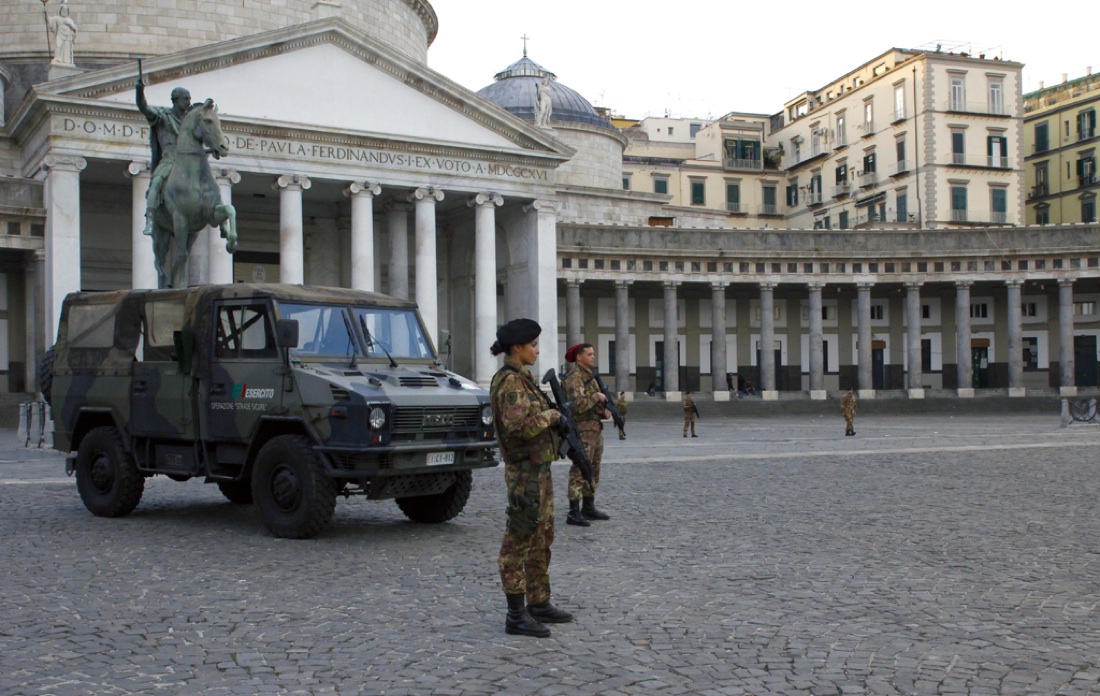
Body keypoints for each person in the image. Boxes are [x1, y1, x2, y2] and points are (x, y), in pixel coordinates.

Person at [490, 318, 573, 637]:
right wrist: (553, 416)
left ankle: (538, 601)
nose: (537, 350)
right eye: (533, 345)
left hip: (539, 470)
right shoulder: (511, 382)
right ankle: (515, 614)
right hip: (525, 474)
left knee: (542, 537)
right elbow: (519, 427)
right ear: (517, 347)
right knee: (519, 539)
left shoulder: (523, 379)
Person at [136, 80, 195, 237]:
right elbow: (143, 108)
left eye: (189, 99)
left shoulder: (190, 121)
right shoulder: (162, 116)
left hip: (186, 161)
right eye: (186, 99)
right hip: (169, 159)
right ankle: (150, 219)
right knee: (156, 183)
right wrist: (139, 92)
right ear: (176, 100)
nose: (189, 102)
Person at [562, 343, 611, 526]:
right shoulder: (574, 377)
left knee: (593, 467)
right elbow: (577, 405)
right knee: (580, 467)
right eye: (589, 354)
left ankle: (588, 506)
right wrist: (595, 397)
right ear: (579, 357)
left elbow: (593, 404)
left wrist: (603, 410)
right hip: (582, 429)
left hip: (594, 428)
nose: (593, 357)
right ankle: (573, 510)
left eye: (593, 353)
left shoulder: (590, 377)